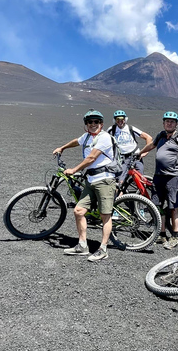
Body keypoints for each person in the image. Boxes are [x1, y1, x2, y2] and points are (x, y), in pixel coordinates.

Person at [52, 109, 117, 262]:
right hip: (91, 180)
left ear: (101, 124)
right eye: (90, 122)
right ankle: (82, 246)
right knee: (79, 211)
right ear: (86, 124)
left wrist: (74, 170)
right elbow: (77, 141)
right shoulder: (87, 136)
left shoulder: (104, 137)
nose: (93, 124)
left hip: (104, 180)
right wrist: (63, 147)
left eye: (96, 122)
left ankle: (103, 249)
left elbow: (91, 158)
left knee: (105, 215)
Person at [137, 111, 178, 250]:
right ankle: (161, 234)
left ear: (176, 124)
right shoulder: (160, 135)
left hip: (173, 176)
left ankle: (175, 235)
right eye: (167, 121)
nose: (169, 123)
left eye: (172, 122)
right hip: (158, 175)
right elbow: (151, 145)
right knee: (158, 205)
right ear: (163, 123)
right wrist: (139, 153)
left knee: (173, 207)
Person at [107, 110, 153, 183]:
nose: (120, 121)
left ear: (125, 119)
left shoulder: (130, 128)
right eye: (117, 119)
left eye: (122, 119)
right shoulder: (111, 130)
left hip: (135, 156)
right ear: (114, 120)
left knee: (140, 179)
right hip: (121, 158)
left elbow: (148, 138)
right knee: (120, 180)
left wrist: (145, 152)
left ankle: (142, 190)